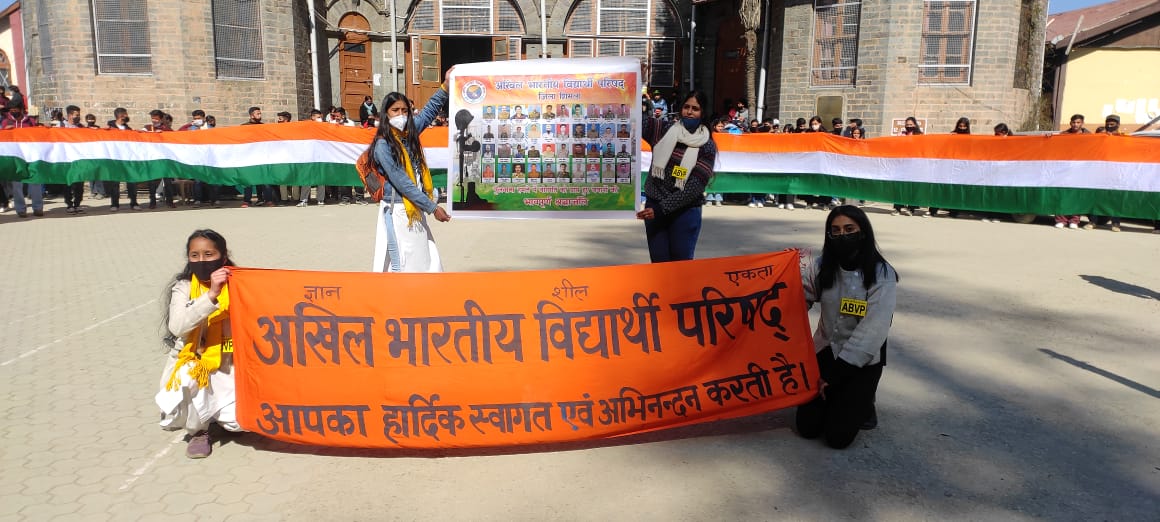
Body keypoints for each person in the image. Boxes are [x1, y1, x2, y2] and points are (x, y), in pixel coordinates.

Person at [796, 205, 899, 449]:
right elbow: (799, 300)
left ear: (863, 232)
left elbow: (872, 332)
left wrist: (831, 378)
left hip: (860, 360)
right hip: (826, 350)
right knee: (807, 428)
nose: (843, 235)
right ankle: (841, 399)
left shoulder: (881, 274)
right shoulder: (822, 266)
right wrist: (789, 271)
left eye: (849, 229)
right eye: (836, 230)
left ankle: (865, 402)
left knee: (837, 437)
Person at [156, 229, 242, 459]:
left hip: (229, 362)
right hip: (195, 360)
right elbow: (178, 327)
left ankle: (222, 417)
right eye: (195, 255)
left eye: (208, 254)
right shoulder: (183, 287)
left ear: (223, 257)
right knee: (190, 379)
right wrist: (211, 295)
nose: (202, 261)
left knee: (240, 423)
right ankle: (199, 433)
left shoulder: (238, 284)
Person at [370, 71, 454, 273]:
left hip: (414, 206)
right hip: (399, 209)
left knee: (425, 258)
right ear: (385, 114)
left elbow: (428, 112)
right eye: (395, 110)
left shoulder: (409, 132)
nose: (400, 115)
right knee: (405, 263)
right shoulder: (383, 145)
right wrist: (432, 208)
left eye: (404, 110)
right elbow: (403, 183)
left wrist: (445, 86)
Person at [636, 91, 717, 263]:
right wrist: (632, 85)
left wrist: (661, 209)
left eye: (695, 108)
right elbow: (635, 118)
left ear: (703, 113)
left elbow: (694, 188)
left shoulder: (707, 146)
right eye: (686, 107)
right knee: (659, 265)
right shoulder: (663, 130)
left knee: (680, 266)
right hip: (654, 208)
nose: (689, 111)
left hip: (685, 212)